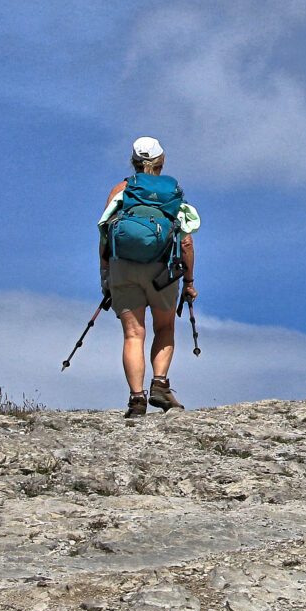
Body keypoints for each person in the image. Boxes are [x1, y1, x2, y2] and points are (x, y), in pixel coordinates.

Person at [98, 137, 200, 419]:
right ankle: (159, 383)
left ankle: (136, 399)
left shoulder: (121, 190)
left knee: (133, 333)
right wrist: (189, 283)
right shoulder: (172, 192)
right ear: (162, 161)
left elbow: (105, 234)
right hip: (162, 270)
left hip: (124, 267)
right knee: (164, 327)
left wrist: (106, 274)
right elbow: (187, 241)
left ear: (132, 162)